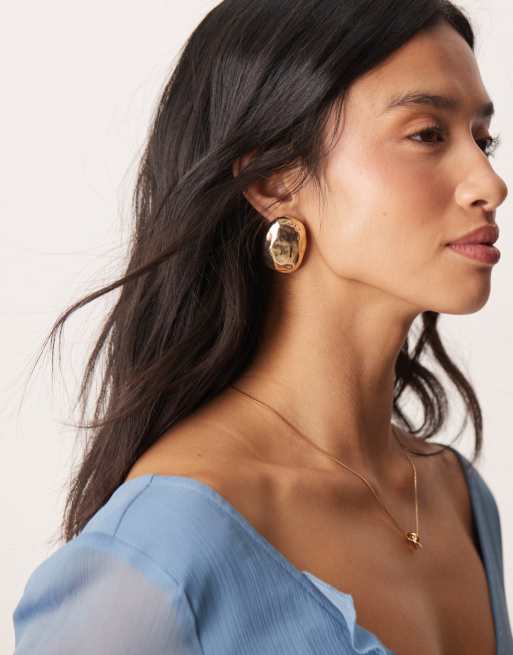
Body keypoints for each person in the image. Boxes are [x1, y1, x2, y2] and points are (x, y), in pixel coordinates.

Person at [12, 1, 512, 653]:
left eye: (482, 139)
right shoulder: (159, 552)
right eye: (426, 134)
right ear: (276, 180)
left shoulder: (456, 497)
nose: (489, 184)